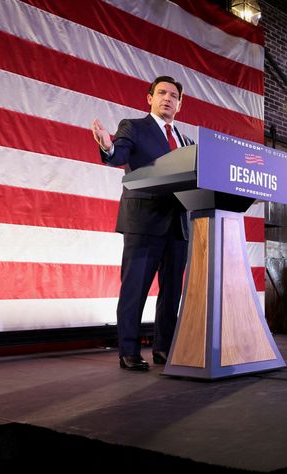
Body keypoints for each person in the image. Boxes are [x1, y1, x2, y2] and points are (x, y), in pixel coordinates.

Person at [92, 76, 192, 372]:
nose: (167, 98)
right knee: (135, 288)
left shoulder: (186, 141)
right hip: (143, 221)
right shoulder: (133, 127)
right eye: (161, 93)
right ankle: (129, 351)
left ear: (180, 104)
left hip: (178, 224)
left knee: (172, 292)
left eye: (174, 95)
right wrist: (108, 146)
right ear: (149, 97)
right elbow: (118, 154)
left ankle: (164, 348)